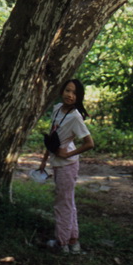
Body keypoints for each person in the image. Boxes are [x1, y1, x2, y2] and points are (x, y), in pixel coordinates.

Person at [39, 78, 94, 254]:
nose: (70, 95)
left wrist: (67, 154)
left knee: (62, 204)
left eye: (74, 93)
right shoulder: (57, 109)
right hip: (57, 162)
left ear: (79, 97)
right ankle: (73, 241)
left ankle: (61, 243)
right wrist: (44, 160)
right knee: (68, 201)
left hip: (67, 165)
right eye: (67, 91)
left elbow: (89, 143)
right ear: (62, 91)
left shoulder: (75, 117)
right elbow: (53, 136)